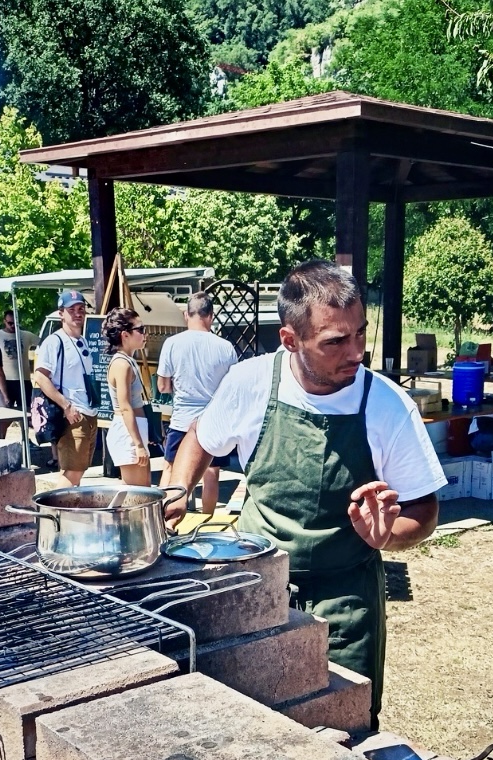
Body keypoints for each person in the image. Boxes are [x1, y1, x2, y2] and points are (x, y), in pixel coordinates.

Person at [163, 261, 442, 725]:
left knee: (342, 723)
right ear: (290, 339)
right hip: (254, 586)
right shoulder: (250, 383)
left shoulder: (388, 405)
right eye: (335, 341)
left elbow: (425, 509)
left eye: (360, 334)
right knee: (251, 717)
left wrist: (388, 536)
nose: (356, 353)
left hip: (345, 599)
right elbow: (200, 437)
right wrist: (176, 492)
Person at [157, 293, 238, 513]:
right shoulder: (225, 347)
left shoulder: (172, 343)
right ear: (210, 316)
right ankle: (207, 522)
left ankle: (162, 518)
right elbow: (232, 387)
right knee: (211, 473)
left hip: (182, 419)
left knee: (171, 469)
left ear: (186, 315)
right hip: (214, 420)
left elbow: (162, 386)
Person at [33, 290, 98, 483]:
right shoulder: (54, 341)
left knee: (79, 470)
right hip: (72, 415)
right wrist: (66, 406)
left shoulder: (82, 341)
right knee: (72, 472)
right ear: (61, 313)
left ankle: (70, 509)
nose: (78, 313)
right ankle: (56, 512)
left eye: (81, 309)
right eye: (72, 310)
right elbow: (40, 376)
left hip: (88, 412)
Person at [101, 309, 152, 486]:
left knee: (141, 492)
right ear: (125, 335)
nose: (145, 334)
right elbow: (125, 407)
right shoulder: (122, 364)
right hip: (127, 431)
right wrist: (138, 444)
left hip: (134, 429)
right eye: (141, 329)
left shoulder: (128, 361)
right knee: (137, 494)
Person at [0, 311, 23, 406]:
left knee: (27, 413)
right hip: (5, 381)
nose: (13, 325)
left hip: (23, 381)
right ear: (4, 321)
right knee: (5, 412)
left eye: (16, 323)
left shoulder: (26, 335)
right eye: (10, 323)